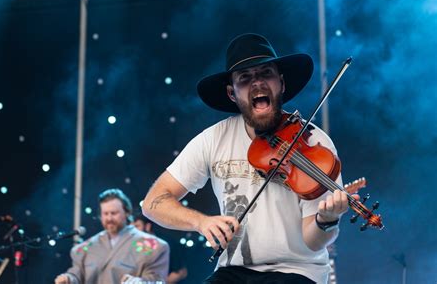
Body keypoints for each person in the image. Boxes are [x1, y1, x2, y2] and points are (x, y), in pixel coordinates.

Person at [142, 33, 353, 284]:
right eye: (245, 78)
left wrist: (326, 221)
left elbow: (312, 240)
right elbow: (153, 202)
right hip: (234, 272)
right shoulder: (213, 139)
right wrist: (201, 222)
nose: (257, 84)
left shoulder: (314, 144)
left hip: (297, 271)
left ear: (281, 83)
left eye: (266, 73)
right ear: (232, 93)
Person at [54, 188, 169, 284]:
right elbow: (77, 274)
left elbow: (157, 280)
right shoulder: (86, 247)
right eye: (105, 214)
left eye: (114, 213)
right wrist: (69, 279)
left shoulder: (155, 247)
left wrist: (138, 282)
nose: (109, 218)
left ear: (127, 212)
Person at [132, 212, 188, 284]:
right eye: (131, 228)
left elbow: (181, 272)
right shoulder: (135, 245)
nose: (133, 231)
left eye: (136, 226)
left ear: (147, 226)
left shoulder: (166, 243)